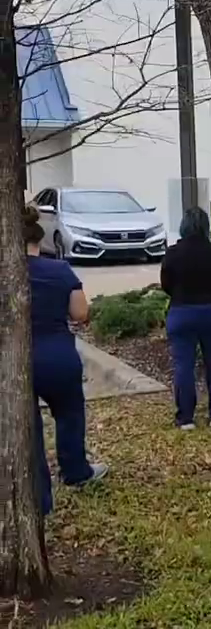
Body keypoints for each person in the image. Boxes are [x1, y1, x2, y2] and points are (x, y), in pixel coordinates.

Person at [24, 205, 106, 515]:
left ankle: (40, 498)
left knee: (28, 429)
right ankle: (75, 472)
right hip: (58, 354)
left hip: (18, 364)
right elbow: (80, 313)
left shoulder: (7, 274)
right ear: (39, 239)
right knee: (70, 414)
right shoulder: (59, 270)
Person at [160, 207, 211, 429]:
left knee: (183, 366)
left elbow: (166, 284)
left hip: (182, 311)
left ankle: (186, 417)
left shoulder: (172, 253)